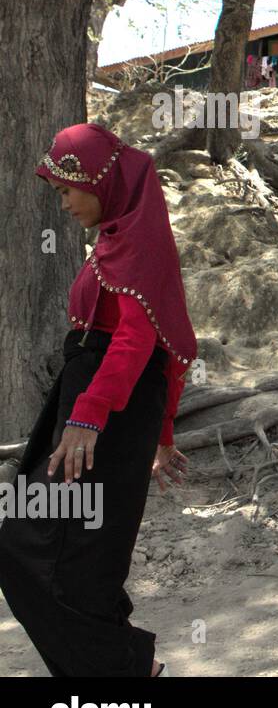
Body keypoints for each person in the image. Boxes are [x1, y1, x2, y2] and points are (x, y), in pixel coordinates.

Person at [0, 123, 194, 677]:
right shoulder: (116, 238)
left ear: (97, 178)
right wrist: (159, 435)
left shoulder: (137, 240)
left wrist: (90, 416)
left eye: (66, 189)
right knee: (68, 549)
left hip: (103, 409)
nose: (62, 204)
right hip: (92, 402)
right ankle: (122, 674)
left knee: (42, 548)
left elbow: (141, 342)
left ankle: (127, 671)